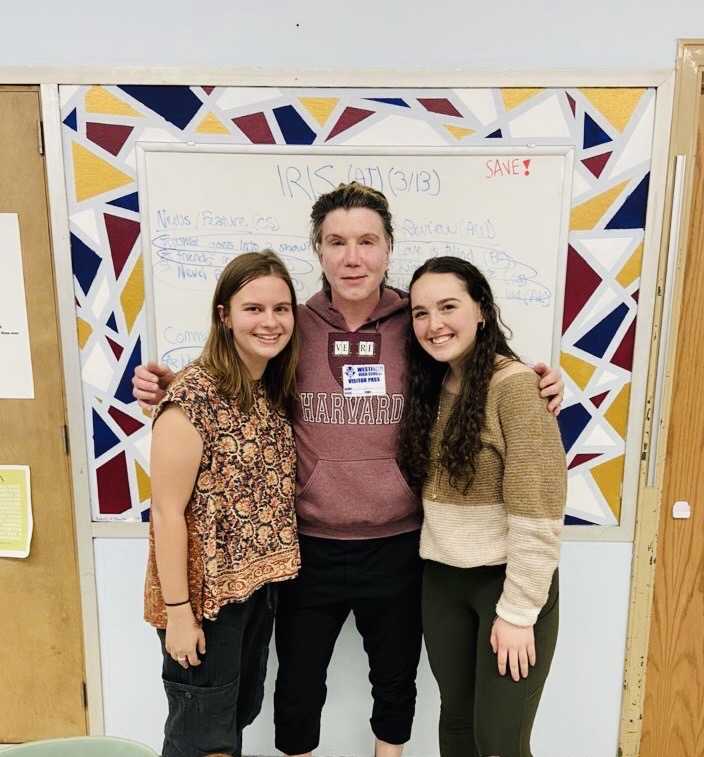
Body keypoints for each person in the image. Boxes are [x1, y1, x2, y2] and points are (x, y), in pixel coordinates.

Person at [134, 183, 564, 757]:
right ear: (318, 251)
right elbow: (237, 367)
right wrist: (171, 386)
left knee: (396, 681)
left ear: (389, 249)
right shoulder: (293, 325)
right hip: (307, 544)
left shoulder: (414, 327)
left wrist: (538, 383)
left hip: (402, 543)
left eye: (367, 241)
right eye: (336, 242)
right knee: (298, 686)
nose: (352, 256)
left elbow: (470, 369)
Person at [397, 256, 567, 757]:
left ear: (482, 311)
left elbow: (539, 509)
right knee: (455, 728)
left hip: (507, 586)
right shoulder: (434, 383)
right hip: (443, 583)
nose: (434, 324)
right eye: (420, 313)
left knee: (498, 743)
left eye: (448, 306)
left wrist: (516, 612)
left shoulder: (515, 387)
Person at [143, 250, 301, 757]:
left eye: (281, 308)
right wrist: (179, 615)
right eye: (253, 308)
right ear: (224, 314)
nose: (270, 322)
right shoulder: (192, 397)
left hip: (254, 591)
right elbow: (166, 513)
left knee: (230, 725)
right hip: (204, 601)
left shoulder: (268, 388)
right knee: (201, 739)